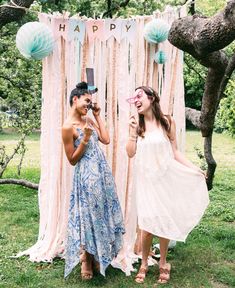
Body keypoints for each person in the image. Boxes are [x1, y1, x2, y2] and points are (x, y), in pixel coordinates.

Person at [126, 86, 209, 284]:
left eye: (140, 96)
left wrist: (195, 169)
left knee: (163, 221)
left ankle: (163, 262)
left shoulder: (167, 121)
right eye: (134, 98)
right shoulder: (137, 124)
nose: (136, 100)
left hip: (165, 178)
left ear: (152, 98)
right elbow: (130, 153)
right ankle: (144, 262)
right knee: (146, 226)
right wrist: (131, 133)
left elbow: (175, 152)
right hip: (146, 181)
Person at [62, 82, 125, 280]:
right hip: (86, 175)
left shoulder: (89, 118)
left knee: (100, 213)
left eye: (91, 102)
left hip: (102, 173)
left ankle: (98, 253)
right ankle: (86, 259)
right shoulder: (67, 127)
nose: (89, 105)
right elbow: (72, 160)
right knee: (88, 215)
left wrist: (97, 115)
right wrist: (86, 139)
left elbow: (105, 139)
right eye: (86, 101)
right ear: (75, 99)